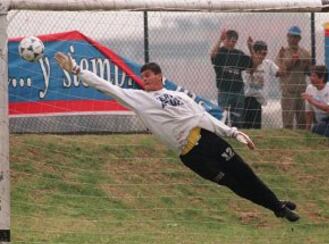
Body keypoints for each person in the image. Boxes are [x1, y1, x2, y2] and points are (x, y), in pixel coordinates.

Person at [55, 52, 300, 222]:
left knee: (246, 173)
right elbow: (108, 87)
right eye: (143, 77)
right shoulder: (142, 100)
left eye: (149, 75)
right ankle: (274, 206)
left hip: (209, 140)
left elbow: (203, 116)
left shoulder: (179, 96)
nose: (145, 80)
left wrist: (233, 132)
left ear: (160, 76)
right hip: (192, 155)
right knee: (234, 184)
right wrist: (77, 70)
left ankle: (277, 205)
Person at [210, 29, 253, 128]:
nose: (230, 43)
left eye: (233, 41)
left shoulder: (239, 54)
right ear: (224, 40)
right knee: (222, 116)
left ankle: (236, 134)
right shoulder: (220, 52)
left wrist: (250, 47)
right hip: (224, 89)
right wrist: (219, 40)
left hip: (237, 90)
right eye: (228, 40)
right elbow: (212, 55)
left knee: (237, 118)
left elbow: (252, 66)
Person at [242, 39, 283, 129]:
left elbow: (279, 73)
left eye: (265, 54)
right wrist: (250, 48)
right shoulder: (247, 62)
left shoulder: (267, 64)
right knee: (245, 126)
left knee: (256, 126)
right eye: (261, 53)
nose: (263, 56)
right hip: (247, 97)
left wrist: (281, 58)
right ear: (255, 52)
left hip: (259, 99)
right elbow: (253, 67)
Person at [276, 25, 311, 129]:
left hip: (301, 90)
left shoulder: (305, 52)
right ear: (287, 36)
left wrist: (306, 63)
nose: (293, 39)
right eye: (291, 36)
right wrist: (292, 62)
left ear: (299, 38)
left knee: (302, 120)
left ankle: (302, 140)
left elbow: (309, 71)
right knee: (288, 121)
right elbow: (278, 71)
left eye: (295, 37)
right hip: (288, 90)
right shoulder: (283, 52)